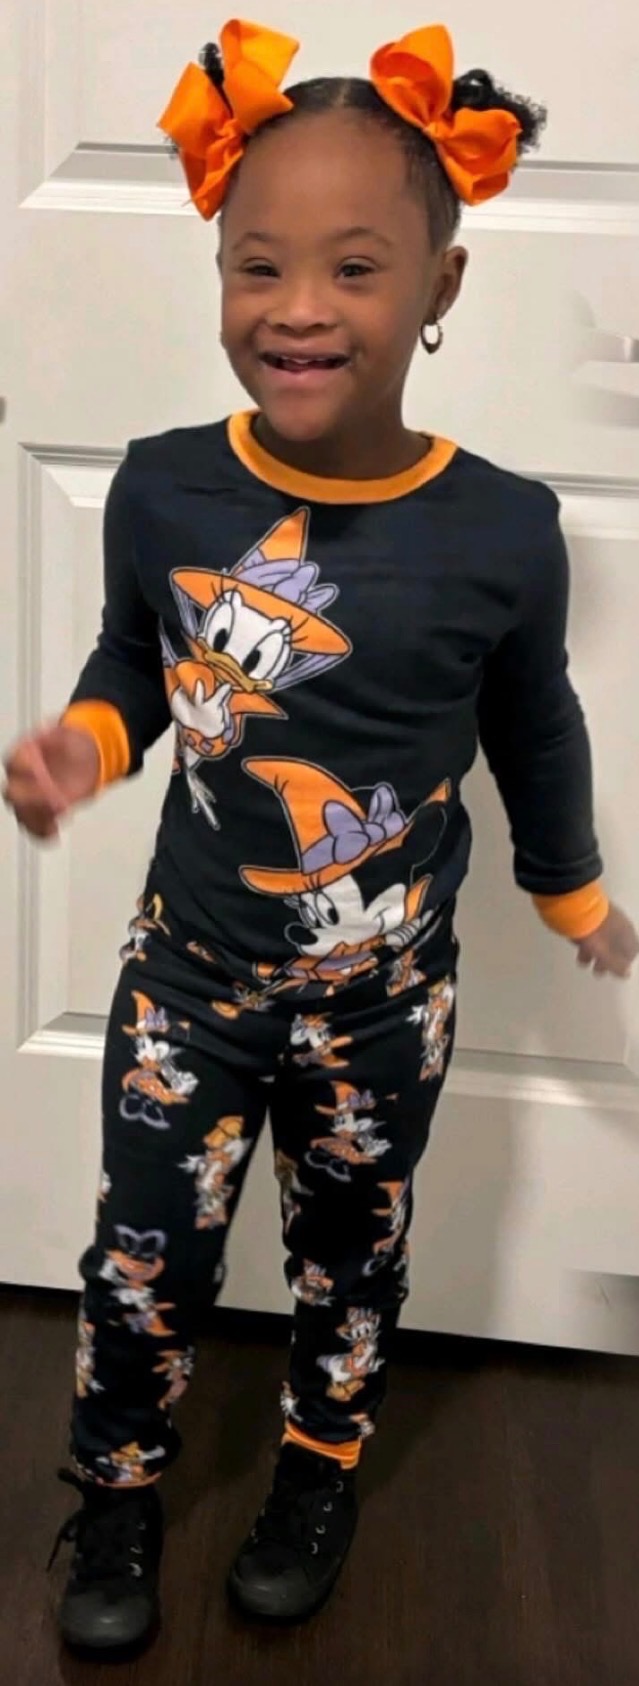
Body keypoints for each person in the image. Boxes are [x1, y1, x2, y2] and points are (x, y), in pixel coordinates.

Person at [4, 16, 638, 1656]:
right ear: (218, 274)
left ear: (440, 285)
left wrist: (570, 888)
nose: (298, 306)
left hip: (384, 1001)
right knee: (143, 1254)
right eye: (258, 265)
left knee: (352, 1249)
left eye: (355, 267)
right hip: (188, 981)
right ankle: (118, 1484)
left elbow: (536, 728)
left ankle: (318, 1466)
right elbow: (138, 664)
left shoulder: (502, 530)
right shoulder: (164, 490)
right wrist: (85, 743)